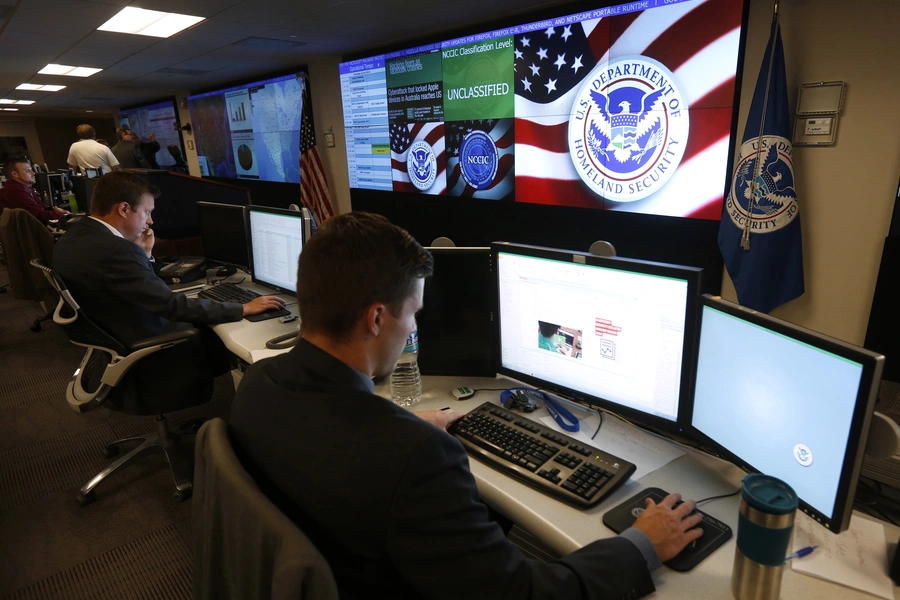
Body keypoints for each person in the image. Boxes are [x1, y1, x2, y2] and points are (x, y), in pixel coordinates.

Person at [231, 212, 703, 600]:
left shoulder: (257, 385)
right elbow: (522, 594)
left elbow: (336, 444)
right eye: (413, 313)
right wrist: (642, 544)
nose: (413, 328)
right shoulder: (413, 458)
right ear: (376, 318)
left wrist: (398, 424)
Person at [53, 171, 285, 412]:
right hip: (145, 341)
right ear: (123, 209)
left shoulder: (74, 236)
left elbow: (135, 286)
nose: (150, 221)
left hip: (115, 332)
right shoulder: (114, 250)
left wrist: (144, 255)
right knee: (238, 339)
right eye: (147, 212)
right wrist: (243, 307)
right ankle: (255, 410)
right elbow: (171, 305)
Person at [0, 157, 70, 224]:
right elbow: (38, 215)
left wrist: (54, 209)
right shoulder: (15, 190)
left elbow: (40, 208)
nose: (33, 173)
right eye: (27, 171)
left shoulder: (26, 187)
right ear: (15, 174)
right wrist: (65, 215)